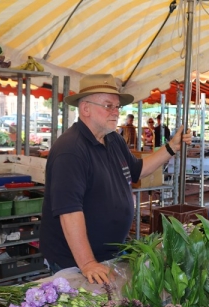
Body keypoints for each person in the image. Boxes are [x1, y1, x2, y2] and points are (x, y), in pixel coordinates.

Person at [40, 74, 192, 284]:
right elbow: (69, 211)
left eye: (117, 107)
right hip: (74, 263)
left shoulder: (113, 139)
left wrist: (170, 148)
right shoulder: (71, 150)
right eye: (108, 105)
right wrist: (87, 263)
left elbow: (137, 170)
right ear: (85, 109)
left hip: (110, 255)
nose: (116, 112)